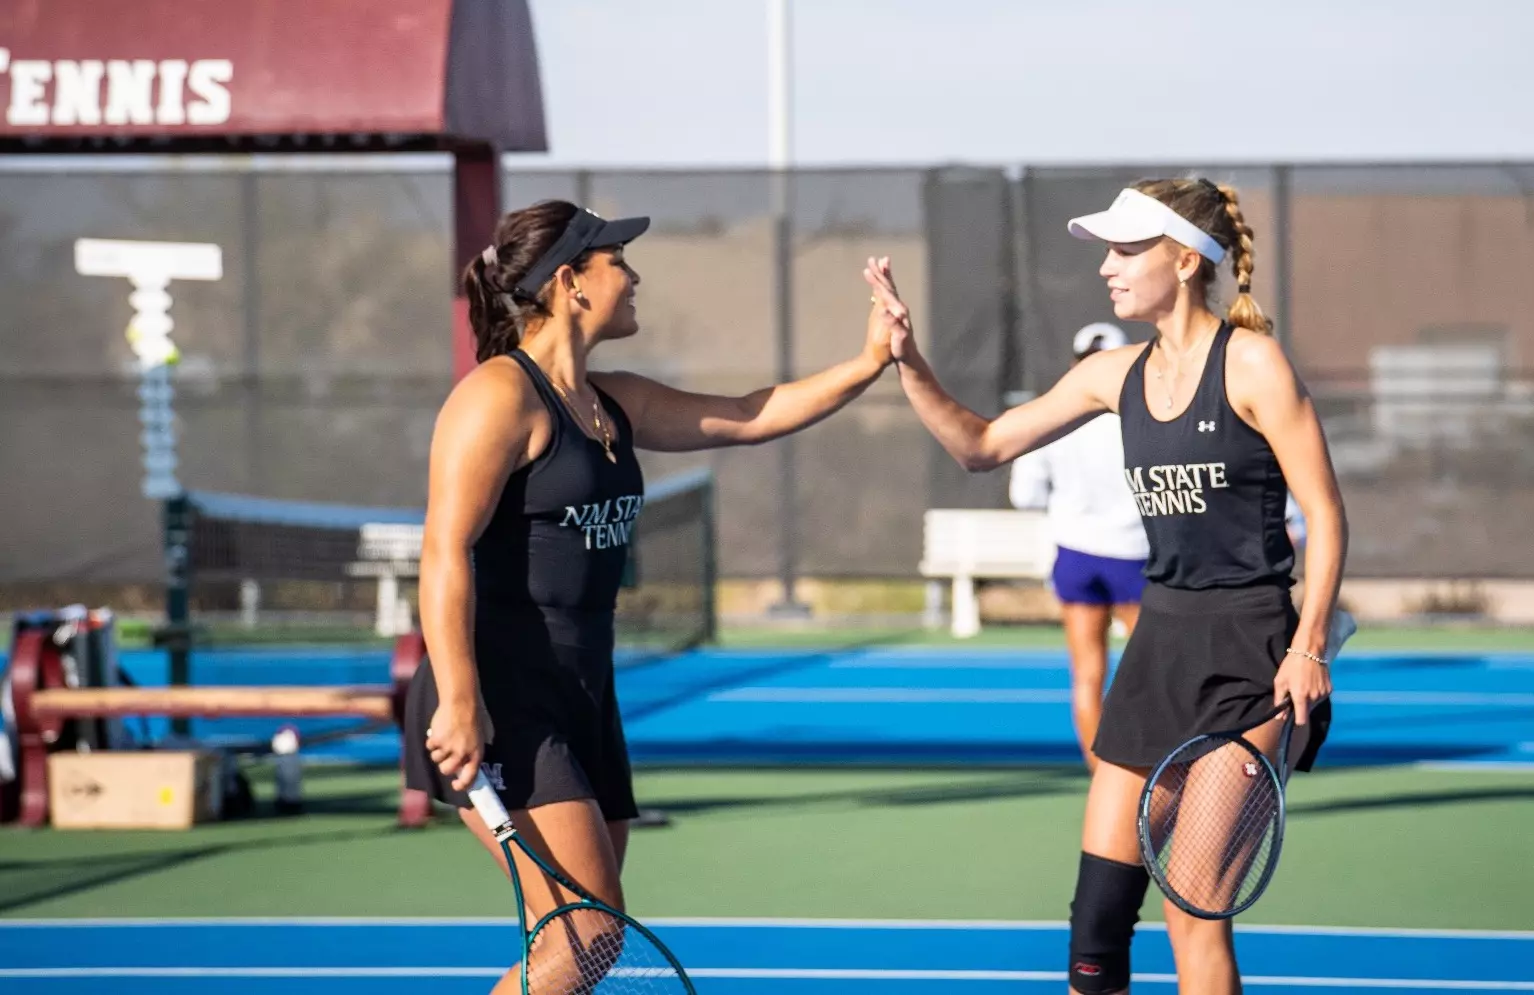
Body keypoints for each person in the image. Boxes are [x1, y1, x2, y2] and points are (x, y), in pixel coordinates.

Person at [864, 176, 1348, 995]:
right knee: (1094, 932)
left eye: (1127, 249)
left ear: (1186, 261)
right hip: (1155, 651)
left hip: (1250, 657)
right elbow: (979, 445)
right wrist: (907, 359)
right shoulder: (1111, 374)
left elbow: (1328, 517)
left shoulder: (1253, 364)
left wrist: (1308, 649)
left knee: (1194, 913)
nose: (1107, 267)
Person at [405, 199, 898, 995]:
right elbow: (443, 548)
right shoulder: (497, 396)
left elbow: (746, 415)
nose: (633, 275)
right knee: (587, 934)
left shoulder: (611, 402)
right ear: (569, 282)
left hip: (580, 692)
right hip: (502, 692)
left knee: (579, 946)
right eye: (616, 260)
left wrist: (870, 360)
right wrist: (460, 698)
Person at [1008, 322, 1150, 772]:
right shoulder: (1147, 413)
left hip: (1077, 555)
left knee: (1087, 676)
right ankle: (1148, 773)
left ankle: (1103, 779)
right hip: (1135, 557)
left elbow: (1025, 495)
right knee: (1153, 675)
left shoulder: (1053, 413)